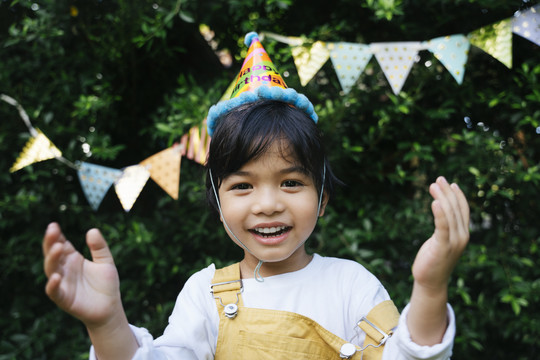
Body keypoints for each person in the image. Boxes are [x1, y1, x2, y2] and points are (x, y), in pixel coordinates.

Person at [42, 32, 469, 360]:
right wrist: (107, 323)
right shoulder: (205, 294)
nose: (267, 203)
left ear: (321, 200)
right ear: (218, 204)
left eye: (290, 183)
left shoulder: (350, 284)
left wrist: (430, 287)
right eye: (243, 186)